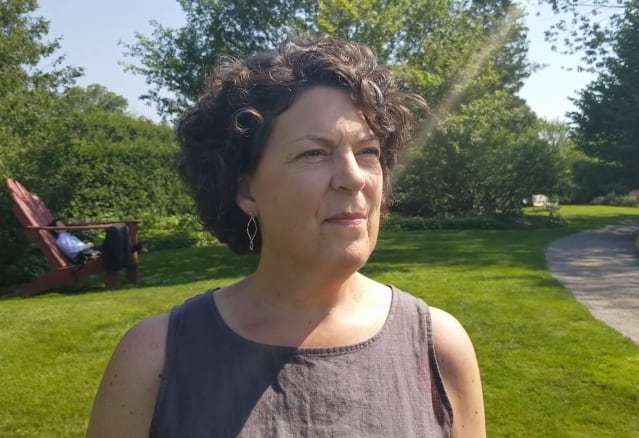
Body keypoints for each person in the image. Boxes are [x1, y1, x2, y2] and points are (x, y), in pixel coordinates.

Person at [86, 36, 485, 438]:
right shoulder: (154, 359)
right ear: (246, 191)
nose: (354, 178)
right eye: (314, 153)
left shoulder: (439, 349)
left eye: (368, 152)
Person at [48, 219, 146, 264]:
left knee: (109, 247)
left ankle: (133, 248)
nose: (64, 225)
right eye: (61, 225)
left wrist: (87, 246)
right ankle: (133, 248)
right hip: (83, 256)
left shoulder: (66, 236)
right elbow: (74, 251)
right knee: (109, 247)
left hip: (86, 252)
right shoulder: (62, 240)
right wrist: (87, 246)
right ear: (56, 230)